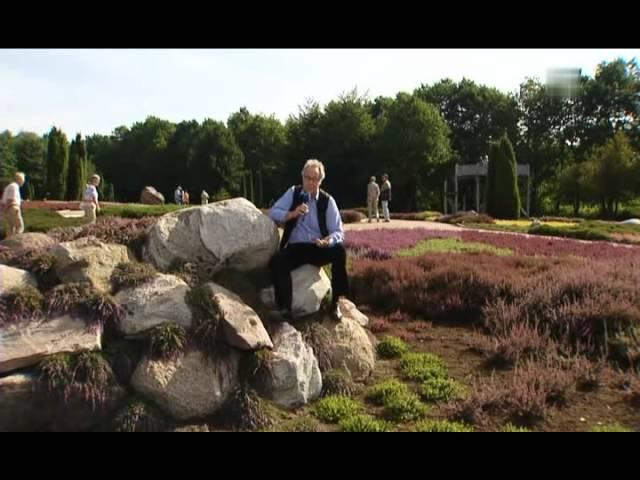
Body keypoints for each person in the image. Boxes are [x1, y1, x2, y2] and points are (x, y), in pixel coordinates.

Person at [268, 159, 348, 321]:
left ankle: (335, 303)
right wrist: (291, 214)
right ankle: (284, 309)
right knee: (277, 261)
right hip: (296, 247)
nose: (310, 182)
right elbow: (273, 211)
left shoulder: (327, 201)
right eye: (307, 177)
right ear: (302, 177)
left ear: (320, 180)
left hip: (318, 247)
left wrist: (328, 241)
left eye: (314, 178)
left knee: (339, 250)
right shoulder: (294, 193)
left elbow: (338, 232)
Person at [1, 172, 26, 238]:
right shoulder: (14, 186)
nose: (23, 182)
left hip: (8, 209)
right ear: (19, 179)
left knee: (11, 227)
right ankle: (16, 241)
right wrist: (4, 210)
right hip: (12, 208)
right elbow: (11, 199)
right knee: (20, 226)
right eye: (23, 180)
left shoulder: (9, 186)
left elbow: (6, 199)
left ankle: (8, 243)